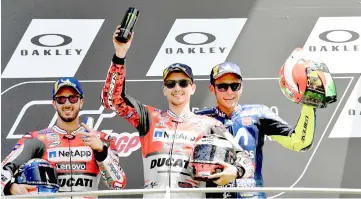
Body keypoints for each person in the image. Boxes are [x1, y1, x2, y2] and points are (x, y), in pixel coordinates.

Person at [100, 26, 255, 199]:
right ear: (164, 89)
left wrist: (236, 170)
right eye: (170, 84)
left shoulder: (210, 124)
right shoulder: (150, 118)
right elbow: (111, 99)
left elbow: (246, 159)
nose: (177, 88)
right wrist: (120, 54)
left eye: (183, 83)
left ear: (193, 88)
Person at [194, 61, 334, 198]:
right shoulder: (199, 119)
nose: (229, 92)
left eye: (235, 86)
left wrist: (309, 105)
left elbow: (300, 142)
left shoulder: (258, 113)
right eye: (223, 86)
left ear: (241, 87)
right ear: (212, 89)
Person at [1, 77, 126, 198]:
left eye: (73, 98)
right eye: (61, 99)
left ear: (81, 102)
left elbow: (118, 184)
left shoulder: (100, 139)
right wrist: (10, 188)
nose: (67, 104)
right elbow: (2, 172)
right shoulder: (36, 140)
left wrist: (101, 151)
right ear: (54, 104)